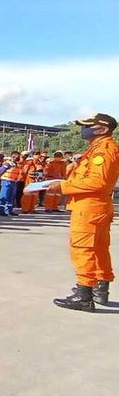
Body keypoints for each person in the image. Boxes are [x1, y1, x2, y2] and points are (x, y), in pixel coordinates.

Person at [50, 113, 119, 312]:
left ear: (102, 129)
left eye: (87, 126)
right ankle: (99, 289)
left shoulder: (103, 151)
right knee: (98, 249)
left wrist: (63, 187)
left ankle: (84, 294)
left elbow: (97, 182)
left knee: (83, 249)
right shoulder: (99, 149)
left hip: (90, 207)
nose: (83, 129)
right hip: (95, 206)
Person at [0, 151, 22, 216]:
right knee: (4, 196)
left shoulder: (16, 164)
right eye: (17, 156)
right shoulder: (8, 163)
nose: (18, 157)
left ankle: (9, 210)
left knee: (11, 197)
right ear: (13, 156)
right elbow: (0, 172)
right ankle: (1, 211)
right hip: (6, 181)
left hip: (13, 182)